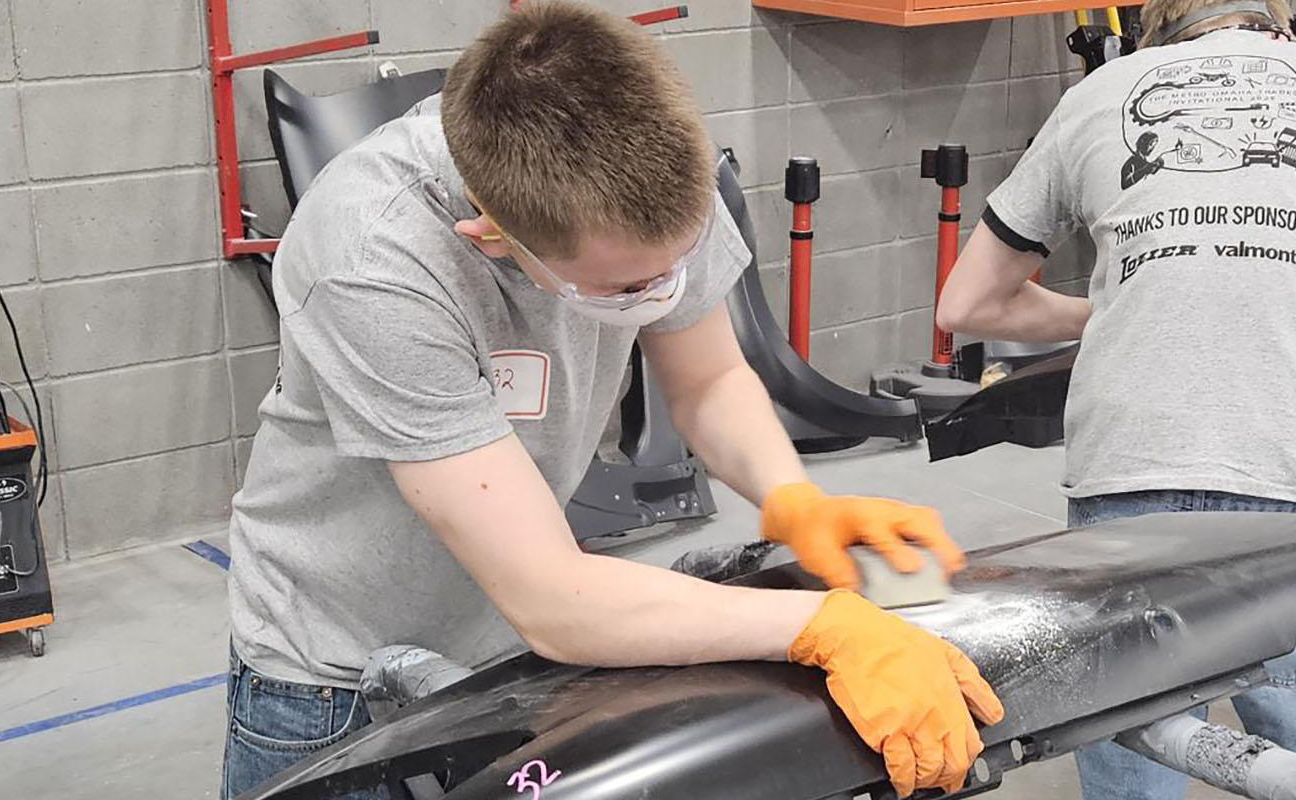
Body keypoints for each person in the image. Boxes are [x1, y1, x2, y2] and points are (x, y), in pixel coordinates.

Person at [222, 3, 1002, 798]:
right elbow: (551, 596)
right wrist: (819, 630)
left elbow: (710, 380)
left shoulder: (654, 180)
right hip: (336, 674)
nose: (663, 291)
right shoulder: (374, 261)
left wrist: (790, 496)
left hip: (509, 644)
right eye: (631, 285)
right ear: (490, 234)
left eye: (676, 262)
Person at [934, 1, 1296, 797]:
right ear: (1278, 18)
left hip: (1127, 474)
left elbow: (966, 306)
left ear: (1154, 27)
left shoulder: (1102, 93)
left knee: (1137, 753)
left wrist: (1115, 309)